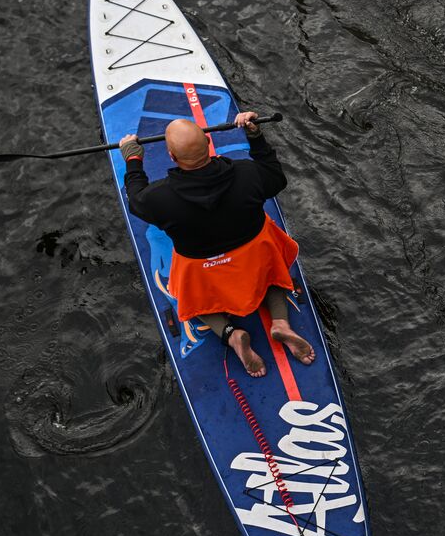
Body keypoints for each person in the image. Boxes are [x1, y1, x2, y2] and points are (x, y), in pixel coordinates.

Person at [118, 113, 314, 378]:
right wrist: (255, 137)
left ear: (172, 157)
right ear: (209, 142)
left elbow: (136, 199)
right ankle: (280, 322)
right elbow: (275, 177)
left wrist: (133, 159)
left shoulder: (159, 198)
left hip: (203, 271)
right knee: (273, 275)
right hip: (254, 256)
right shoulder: (248, 173)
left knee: (191, 304)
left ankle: (232, 335)